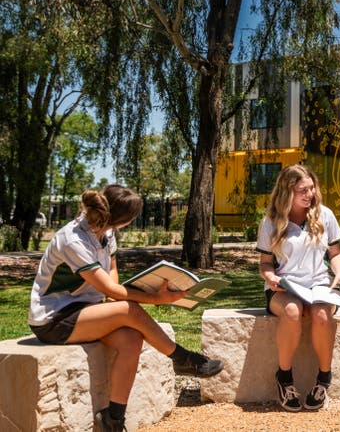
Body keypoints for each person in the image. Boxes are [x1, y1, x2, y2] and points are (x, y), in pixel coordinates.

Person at [28, 185, 224, 432]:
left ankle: (113, 420)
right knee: (129, 310)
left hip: (84, 311)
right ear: (123, 219)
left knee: (131, 339)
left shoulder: (106, 233)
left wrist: (116, 299)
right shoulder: (74, 239)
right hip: (52, 319)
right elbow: (110, 289)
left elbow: (111, 273)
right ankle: (182, 358)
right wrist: (156, 299)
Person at [257, 164, 340, 412]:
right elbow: (265, 264)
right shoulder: (271, 221)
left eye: (312, 188)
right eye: (303, 190)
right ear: (287, 192)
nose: (310, 194)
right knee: (292, 311)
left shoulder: (325, 215)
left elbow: (336, 253)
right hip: (284, 287)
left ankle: (323, 379)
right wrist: (271, 279)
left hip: (319, 285)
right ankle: (284, 379)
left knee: (321, 315)